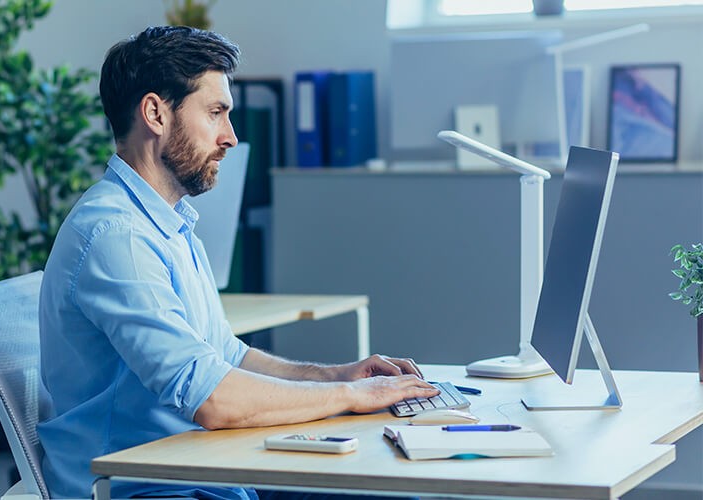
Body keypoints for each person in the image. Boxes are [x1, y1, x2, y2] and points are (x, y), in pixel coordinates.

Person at [37, 26, 438, 499]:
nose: (230, 137)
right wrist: (350, 399)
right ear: (155, 113)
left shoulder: (168, 223)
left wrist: (339, 376)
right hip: (144, 489)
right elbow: (212, 400)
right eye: (215, 113)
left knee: (400, 488)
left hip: (201, 472)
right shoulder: (116, 236)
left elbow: (226, 357)